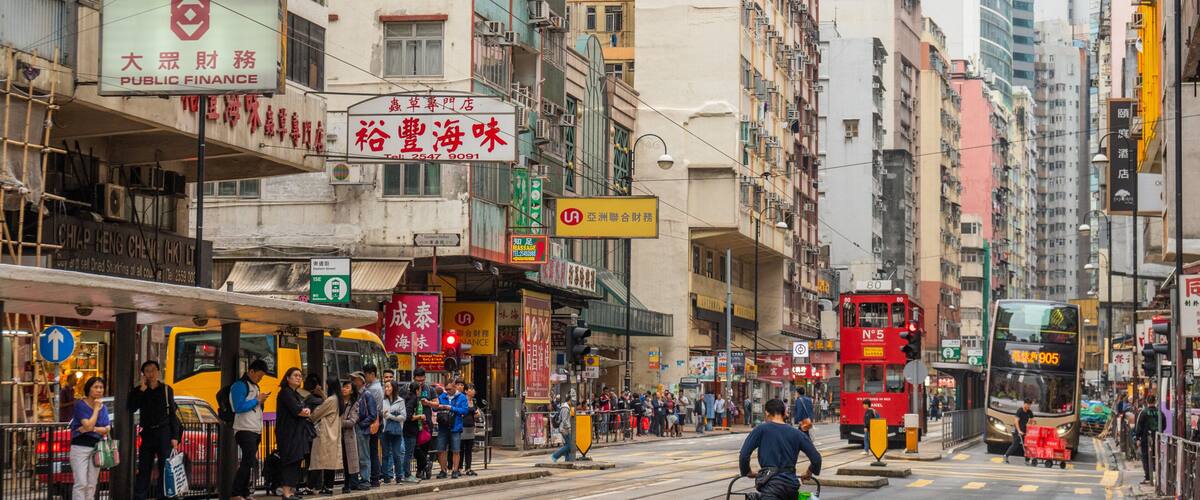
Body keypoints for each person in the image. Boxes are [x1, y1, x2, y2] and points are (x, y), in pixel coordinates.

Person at [738, 399, 822, 500]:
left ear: (767, 413)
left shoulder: (761, 429)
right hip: (791, 486)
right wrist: (809, 472)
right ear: (783, 413)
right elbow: (816, 459)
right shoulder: (797, 433)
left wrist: (747, 471)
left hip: (770, 487)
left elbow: (744, 455)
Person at [128, 360, 181, 500]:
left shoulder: (166, 389)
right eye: (147, 371)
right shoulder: (139, 390)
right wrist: (141, 390)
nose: (150, 373)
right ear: (143, 374)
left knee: (165, 468)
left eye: (153, 370)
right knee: (144, 468)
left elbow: (172, 414)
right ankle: (140, 496)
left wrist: (175, 436)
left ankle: (163, 496)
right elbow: (131, 407)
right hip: (147, 433)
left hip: (164, 432)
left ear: (158, 372)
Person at [229, 359, 270, 500]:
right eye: (259, 376)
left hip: (254, 430)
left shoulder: (255, 386)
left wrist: (259, 401)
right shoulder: (239, 386)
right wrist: (257, 400)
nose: (260, 379)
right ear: (251, 371)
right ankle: (236, 493)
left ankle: (244, 492)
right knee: (247, 461)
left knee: (250, 461)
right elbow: (238, 407)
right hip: (244, 429)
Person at [69, 376, 110, 500]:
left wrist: (91, 429)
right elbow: (88, 424)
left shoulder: (104, 408)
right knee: (81, 482)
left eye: (101, 387)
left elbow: (107, 428)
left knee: (92, 483)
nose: (99, 390)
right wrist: (96, 410)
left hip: (96, 447)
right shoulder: (80, 405)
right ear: (88, 389)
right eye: (96, 387)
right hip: (80, 447)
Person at [275, 367, 313, 500]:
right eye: (295, 375)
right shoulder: (285, 393)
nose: (299, 378)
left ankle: (291, 491)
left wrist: (305, 411)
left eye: (300, 376)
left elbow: (305, 409)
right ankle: (286, 492)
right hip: (287, 433)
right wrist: (304, 411)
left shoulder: (296, 393)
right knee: (289, 460)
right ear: (287, 378)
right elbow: (298, 410)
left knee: (297, 460)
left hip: (297, 433)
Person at [307, 379, 341, 496]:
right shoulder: (337, 399)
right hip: (333, 433)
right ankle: (328, 487)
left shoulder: (332, 399)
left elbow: (317, 413)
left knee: (317, 461)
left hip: (325, 434)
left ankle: (310, 486)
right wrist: (322, 394)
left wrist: (309, 416)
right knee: (330, 462)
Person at [434, 379, 470, 478]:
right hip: (443, 427)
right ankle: (443, 470)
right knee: (441, 449)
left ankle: (455, 470)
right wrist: (436, 405)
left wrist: (451, 408)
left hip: (455, 427)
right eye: (446, 389)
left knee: (456, 450)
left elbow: (465, 411)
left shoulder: (462, 397)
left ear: (454, 387)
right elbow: (435, 408)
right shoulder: (442, 396)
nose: (447, 391)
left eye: (449, 389)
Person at [338, 381, 366, 493]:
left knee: (349, 461)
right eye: (343, 386)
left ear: (352, 391)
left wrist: (338, 423)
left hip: (348, 437)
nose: (344, 389)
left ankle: (348, 484)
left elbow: (352, 422)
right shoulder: (338, 403)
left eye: (347, 387)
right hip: (338, 437)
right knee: (342, 461)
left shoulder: (355, 404)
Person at [407, 369, 435, 481]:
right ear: (414, 378)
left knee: (424, 448)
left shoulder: (430, 389)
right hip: (413, 423)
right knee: (414, 447)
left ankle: (421, 471)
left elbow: (437, 403)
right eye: (418, 380)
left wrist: (428, 403)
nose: (420, 382)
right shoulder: (407, 388)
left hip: (426, 424)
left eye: (422, 380)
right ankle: (426, 464)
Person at [350, 371, 376, 488]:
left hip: (362, 429)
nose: (353, 382)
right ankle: (361, 478)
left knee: (364, 455)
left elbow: (373, 414)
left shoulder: (367, 395)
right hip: (354, 428)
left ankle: (365, 479)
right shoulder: (355, 395)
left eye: (354, 379)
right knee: (357, 455)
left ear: (361, 381)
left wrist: (361, 424)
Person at [362, 364, 385, 487]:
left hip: (373, 421)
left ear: (371, 374)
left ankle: (374, 477)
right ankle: (375, 477)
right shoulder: (372, 386)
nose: (365, 377)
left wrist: (375, 422)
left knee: (372, 450)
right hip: (374, 420)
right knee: (372, 450)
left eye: (365, 375)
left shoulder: (374, 388)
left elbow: (376, 408)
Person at [381, 380, 407, 484]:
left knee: (397, 454)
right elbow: (380, 413)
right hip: (384, 430)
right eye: (385, 387)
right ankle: (386, 477)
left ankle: (399, 476)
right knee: (385, 454)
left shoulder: (400, 401)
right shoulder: (382, 401)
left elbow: (404, 417)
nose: (386, 389)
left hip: (396, 431)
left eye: (388, 387)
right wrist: (382, 414)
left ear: (394, 388)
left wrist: (390, 416)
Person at [1135, 395, 1165, 484]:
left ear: (1147, 402)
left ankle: (1148, 477)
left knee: (1146, 458)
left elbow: (1139, 426)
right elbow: (1164, 425)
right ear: (1155, 401)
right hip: (1157, 438)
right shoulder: (1160, 412)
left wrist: (1137, 438)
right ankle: (1158, 477)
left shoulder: (1143, 412)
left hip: (1146, 438)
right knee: (1157, 456)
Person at [1003, 398, 1035, 464]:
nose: (1029, 406)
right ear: (1024, 404)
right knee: (1015, 444)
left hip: (1024, 430)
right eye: (1028, 405)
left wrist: (1032, 423)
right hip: (1016, 430)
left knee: (1026, 445)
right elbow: (1016, 422)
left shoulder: (1029, 411)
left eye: (1030, 405)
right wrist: (1019, 431)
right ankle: (1005, 456)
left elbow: (1032, 420)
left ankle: (1027, 460)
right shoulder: (1020, 411)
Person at [460, 383, 481, 476]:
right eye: (470, 389)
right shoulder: (462, 400)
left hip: (471, 427)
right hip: (462, 426)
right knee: (461, 448)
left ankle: (468, 468)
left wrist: (472, 413)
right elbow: (461, 413)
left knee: (469, 449)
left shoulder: (474, 402)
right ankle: (459, 468)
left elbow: (478, 414)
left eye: (473, 389)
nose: (473, 391)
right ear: (465, 391)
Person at [550, 398, 574, 463]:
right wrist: (569, 427)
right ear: (569, 400)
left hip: (564, 428)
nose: (573, 403)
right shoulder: (566, 408)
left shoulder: (565, 407)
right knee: (569, 446)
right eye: (572, 401)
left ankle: (567, 459)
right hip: (564, 429)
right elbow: (564, 420)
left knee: (567, 444)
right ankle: (555, 456)